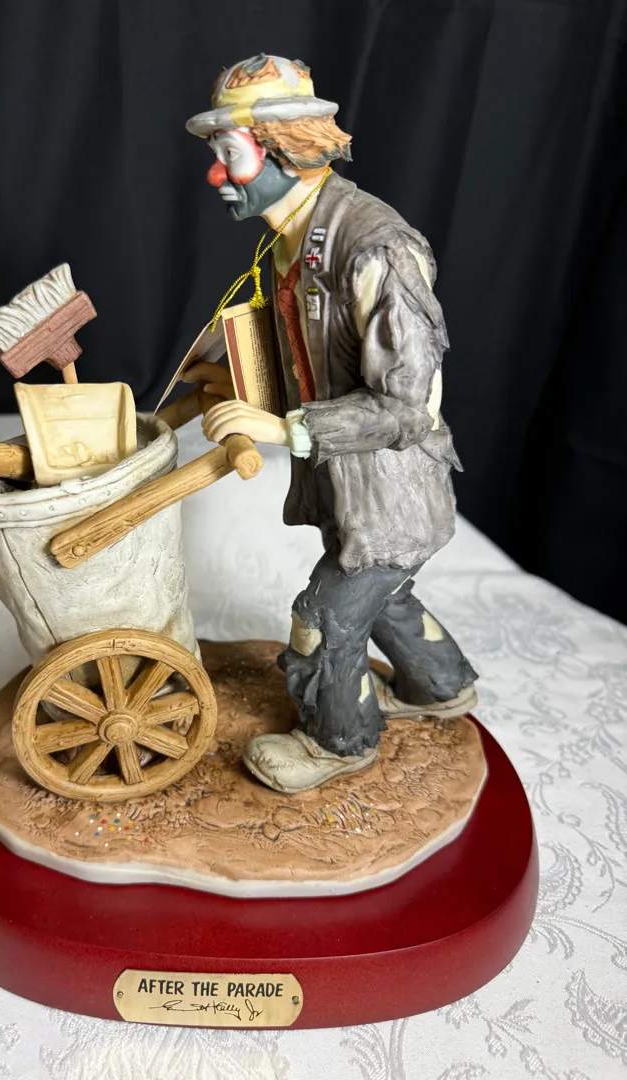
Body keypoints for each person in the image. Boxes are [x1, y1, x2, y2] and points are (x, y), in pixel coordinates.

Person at [185, 54, 478, 794]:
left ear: (285, 150)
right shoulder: (289, 238)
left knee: (324, 617)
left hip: (393, 493)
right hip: (347, 486)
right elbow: (309, 350)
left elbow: (408, 406)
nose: (216, 174)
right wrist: (233, 376)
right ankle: (440, 686)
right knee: (387, 599)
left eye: (229, 153)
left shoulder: (376, 248)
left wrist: (283, 428)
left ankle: (338, 741)